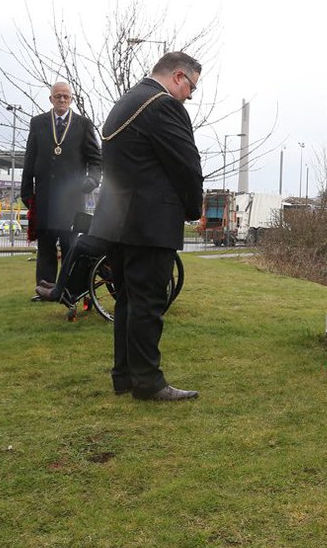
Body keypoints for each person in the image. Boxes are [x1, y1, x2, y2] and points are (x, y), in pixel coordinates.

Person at [89, 53, 204, 401]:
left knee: (127, 300)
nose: (189, 96)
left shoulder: (125, 101)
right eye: (192, 88)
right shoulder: (163, 105)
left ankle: (124, 375)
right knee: (148, 303)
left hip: (118, 220)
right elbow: (187, 164)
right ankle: (148, 382)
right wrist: (192, 209)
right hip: (149, 222)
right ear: (179, 77)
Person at [20, 81, 103, 299]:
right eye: (58, 96)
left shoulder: (83, 124)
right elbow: (30, 158)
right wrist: (26, 191)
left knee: (71, 245)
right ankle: (43, 289)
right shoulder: (38, 123)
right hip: (45, 197)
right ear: (51, 99)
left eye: (66, 96)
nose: (62, 100)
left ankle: (70, 290)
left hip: (73, 199)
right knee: (46, 247)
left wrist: (92, 181)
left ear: (72, 99)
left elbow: (96, 160)